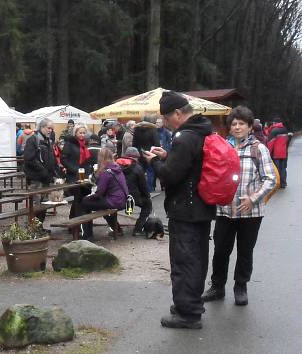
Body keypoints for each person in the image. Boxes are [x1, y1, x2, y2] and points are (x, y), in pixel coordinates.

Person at [142, 91, 215, 329]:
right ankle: (190, 303)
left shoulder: (184, 137)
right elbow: (190, 164)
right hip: (201, 206)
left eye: (166, 118)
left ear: (177, 113)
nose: (164, 123)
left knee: (184, 261)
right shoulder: (202, 130)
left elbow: (171, 175)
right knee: (198, 258)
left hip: (185, 208)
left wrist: (154, 161)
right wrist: (168, 155)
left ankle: (188, 313)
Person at [201, 106, 276, 306]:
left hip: (251, 212)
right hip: (224, 210)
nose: (237, 127)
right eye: (233, 123)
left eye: (241, 123)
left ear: (250, 127)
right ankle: (217, 287)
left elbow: (270, 179)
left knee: (245, 251)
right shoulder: (223, 146)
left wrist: (254, 198)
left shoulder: (258, 148)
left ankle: (240, 287)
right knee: (220, 250)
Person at [81, 147, 128, 239]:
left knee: (84, 202)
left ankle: (87, 235)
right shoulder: (117, 168)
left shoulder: (106, 172)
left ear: (100, 158)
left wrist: (90, 196)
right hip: (122, 200)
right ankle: (117, 229)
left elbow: (99, 193)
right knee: (100, 206)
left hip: (114, 201)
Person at [23, 118, 60, 225]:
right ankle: (33, 230)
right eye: (48, 128)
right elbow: (29, 159)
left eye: (52, 129)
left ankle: (39, 228)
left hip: (46, 179)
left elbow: (52, 158)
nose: (50, 131)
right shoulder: (33, 140)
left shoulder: (49, 140)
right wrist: (42, 170)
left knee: (44, 204)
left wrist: (56, 172)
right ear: (42, 127)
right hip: (36, 179)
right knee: (37, 205)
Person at [61, 124, 94, 238]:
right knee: (78, 199)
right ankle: (75, 224)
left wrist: (88, 172)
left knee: (79, 200)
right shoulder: (69, 144)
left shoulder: (84, 144)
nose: (82, 135)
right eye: (80, 132)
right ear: (75, 133)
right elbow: (63, 159)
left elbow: (86, 160)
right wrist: (74, 169)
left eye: (84, 133)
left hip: (83, 175)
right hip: (73, 175)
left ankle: (74, 222)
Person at [116, 147, 152, 237]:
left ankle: (116, 229)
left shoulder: (115, 165)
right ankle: (138, 229)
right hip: (133, 198)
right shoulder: (138, 168)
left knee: (108, 210)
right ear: (136, 157)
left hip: (117, 198)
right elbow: (143, 187)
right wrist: (148, 196)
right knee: (147, 205)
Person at [133, 115, 161, 192]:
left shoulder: (136, 130)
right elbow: (156, 143)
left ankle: (142, 189)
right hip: (150, 154)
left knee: (141, 171)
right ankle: (150, 189)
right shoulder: (152, 129)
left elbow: (134, 144)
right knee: (150, 171)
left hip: (139, 153)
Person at [266, 117, 289, 188]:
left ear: (274, 123)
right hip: (284, 152)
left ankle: (277, 184)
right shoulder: (285, 129)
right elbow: (287, 140)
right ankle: (283, 183)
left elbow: (270, 143)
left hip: (276, 153)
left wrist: (268, 152)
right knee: (283, 168)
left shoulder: (274, 131)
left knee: (277, 168)